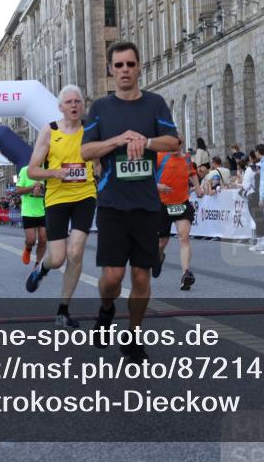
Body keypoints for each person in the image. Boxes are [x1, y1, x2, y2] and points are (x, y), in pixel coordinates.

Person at [81, 42, 179, 362]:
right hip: (111, 203)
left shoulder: (155, 104)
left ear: (139, 68)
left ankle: (134, 337)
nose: (124, 70)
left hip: (146, 203)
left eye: (130, 64)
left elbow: (174, 141)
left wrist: (145, 140)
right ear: (110, 69)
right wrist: (118, 140)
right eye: (118, 65)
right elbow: (86, 151)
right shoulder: (100, 108)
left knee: (140, 276)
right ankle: (106, 309)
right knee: (112, 277)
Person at [24, 85, 99, 329]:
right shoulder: (50, 131)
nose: (75, 105)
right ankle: (41, 270)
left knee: (75, 252)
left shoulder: (90, 130)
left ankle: (63, 310)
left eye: (78, 101)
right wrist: (53, 172)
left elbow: (98, 165)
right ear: (60, 107)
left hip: (85, 195)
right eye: (69, 102)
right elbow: (33, 170)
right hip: (56, 197)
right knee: (57, 258)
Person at [154, 137, 203, 290]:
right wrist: (157, 186)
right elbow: (146, 176)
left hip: (181, 203)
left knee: (184, 237)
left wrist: (198, 186)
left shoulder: (187, 159)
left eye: (178, 144)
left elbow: (192, 173)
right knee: (162, 242)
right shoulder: (160, 156)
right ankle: (159, 257)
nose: (175, 147)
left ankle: (185, 274)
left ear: (182, 144)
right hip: (162, 204)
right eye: (172, 144)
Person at [15, 164, 47, 266]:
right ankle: (28, 248)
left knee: (43, 239)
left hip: (43, 211)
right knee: (31, 240)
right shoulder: (25, 170)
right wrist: (32, 187)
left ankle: (37, 265)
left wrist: (42, 189)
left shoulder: (47, 170)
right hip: (28, 212)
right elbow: (18, 191)